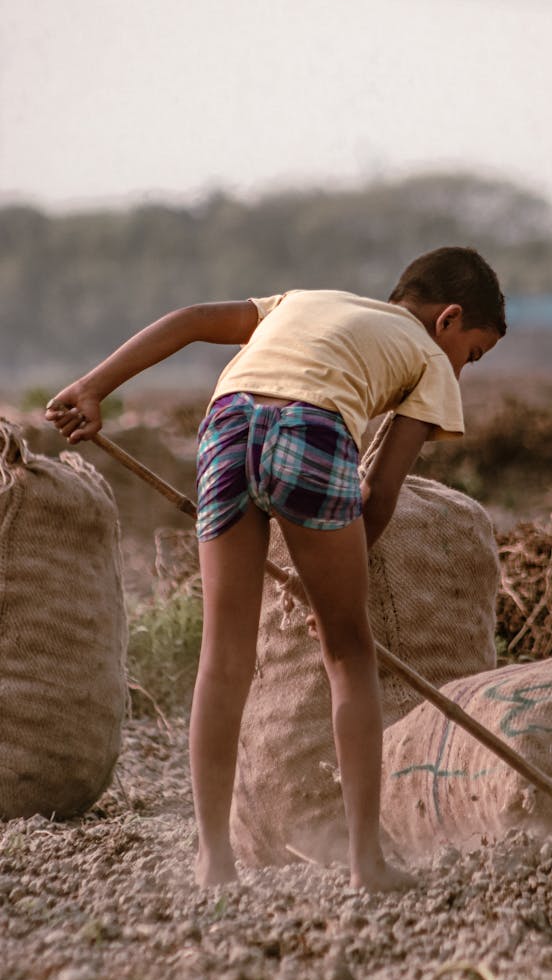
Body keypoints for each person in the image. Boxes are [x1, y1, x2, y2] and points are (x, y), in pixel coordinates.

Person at [46, 246, 506, 892]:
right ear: (449, 320)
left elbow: (188, 319)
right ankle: (366, 860)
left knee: (223, 656)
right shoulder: (430, 358)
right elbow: (378, 494)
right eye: (474, 354)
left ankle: (213, 858)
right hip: (313, 430)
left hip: (226, 425)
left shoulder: (301, 302)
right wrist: (332, 589)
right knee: (348, 651)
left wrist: (93, 387)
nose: (465, 369)